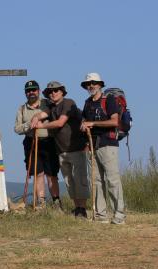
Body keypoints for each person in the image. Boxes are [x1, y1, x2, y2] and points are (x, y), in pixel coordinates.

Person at [31, 81, 89, 218]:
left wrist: (41, 126)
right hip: (62, 150)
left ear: (62, 91)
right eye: (50, 92)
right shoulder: (51, 108)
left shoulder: (68, 103)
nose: (53, 93)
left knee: (79, 179)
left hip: (76, 148)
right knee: (69, 181)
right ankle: (77, 208)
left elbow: (61, 122)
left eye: (56, 90)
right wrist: (35, 117)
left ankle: (82, 209)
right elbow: (43, 114)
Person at [80, 73, 126, 224]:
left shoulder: (109, 100)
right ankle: (101, 215)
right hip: (92, 145)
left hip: (108, 143)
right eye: (88, 84)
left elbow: (114, 121)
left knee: (112, 179)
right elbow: (84, 122)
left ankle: (119, 215)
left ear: (100, 84)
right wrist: (84, 125)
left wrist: (92, 124)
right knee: (97, 181)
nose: (91, 86)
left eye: (93, 83)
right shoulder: (87, 103)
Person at [14, 80, 60, 209]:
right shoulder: (22, 109)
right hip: (31, 143)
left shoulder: (47, 103)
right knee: (37, 173)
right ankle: (41, 201)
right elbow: (17, 129)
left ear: (38, 91)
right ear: (25, 93)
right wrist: (29, 125)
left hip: (48, 141)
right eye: (28, 91)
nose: (31, 93)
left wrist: (38, 119)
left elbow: (53, 115)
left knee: (51, 174)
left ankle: (56, 201)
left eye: (34, 90)